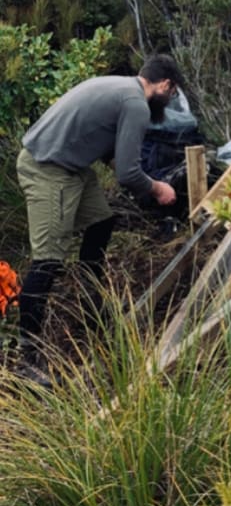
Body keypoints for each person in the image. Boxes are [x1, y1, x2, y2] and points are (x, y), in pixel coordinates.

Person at [12, 54, 188, 381]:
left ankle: (92, 309)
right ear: (164, 84)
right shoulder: (136, 104)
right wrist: (157, 189)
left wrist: (140, 176)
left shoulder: (119, 86)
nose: (170, 98)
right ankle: (29, 359)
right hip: (48, 169)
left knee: (101, 222)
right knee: (48, 260)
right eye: (172, 92)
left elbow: (107, 146)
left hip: (70, 166)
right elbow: (127, 175)